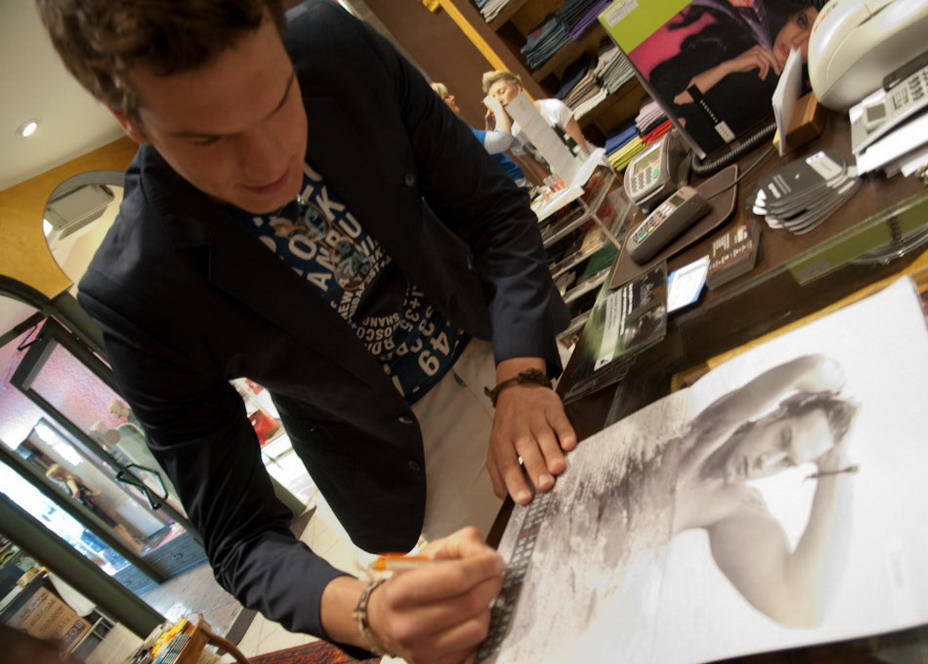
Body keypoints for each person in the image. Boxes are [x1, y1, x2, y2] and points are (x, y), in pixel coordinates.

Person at [36, 1, 577, 661]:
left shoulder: (337, 47)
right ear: (130, 120)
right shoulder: (139, 287)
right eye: (208, 140)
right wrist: (367, 611)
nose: (269, 161)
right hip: (405, 461)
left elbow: (494, 213)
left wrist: (522, 372)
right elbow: (237, 534)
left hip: (512, 335)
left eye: (278, 99)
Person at [671, 353, 858, 627]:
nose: (765, 462)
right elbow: (721, 421)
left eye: (787, 461)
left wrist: (833, 471)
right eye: (783, 438)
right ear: (775, 414)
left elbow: (800, 610)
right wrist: (811, 372)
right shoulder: (702, 432)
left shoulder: (735, 509)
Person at [649, 0, 825, 152]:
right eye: (802, 22)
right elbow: (675, 96)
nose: (796, 41)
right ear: (790, 16)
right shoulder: (729, 40)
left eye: (813, 38)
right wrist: (727, 67)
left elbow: (684, 107)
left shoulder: (806, 96)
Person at [481, 70, 596, 180]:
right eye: (494, 99)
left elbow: (584, 151)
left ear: (518, 88)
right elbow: (543, 175)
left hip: (592, 169)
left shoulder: (553, 108)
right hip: (566, 184)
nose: (499, 101)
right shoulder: (514, 137)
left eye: (501, 92)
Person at [429, 82, 528, 187]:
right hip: (511, 187)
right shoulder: (455, 134)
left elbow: (480, 151)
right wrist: (497, 107)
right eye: (446, 97)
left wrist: (489, 129)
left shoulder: (456, 130)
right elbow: (503, 140)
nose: (452, 97)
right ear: (441, 107)